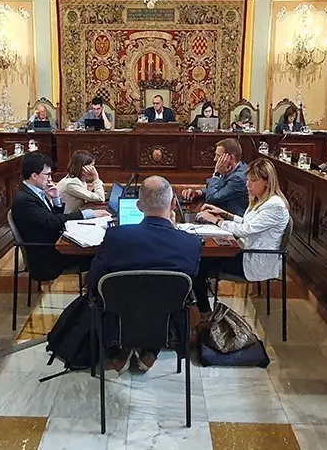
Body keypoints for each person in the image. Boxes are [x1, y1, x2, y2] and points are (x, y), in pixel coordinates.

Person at [87, 175, 202, 372]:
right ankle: (150, 351)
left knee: (106, 296)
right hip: (166, 316)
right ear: (174, 204)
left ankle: (117, 351)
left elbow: (94, 281)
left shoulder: (116, 237)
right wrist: (174, 230)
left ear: (139, 206)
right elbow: (191, 278)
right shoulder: (190, 243)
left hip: (120, 312)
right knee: (164, 294)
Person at [193, 159, 291, 314]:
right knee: (201, 261)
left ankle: (204, 313)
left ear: (267, 181)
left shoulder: (275, 205)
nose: (248, 185)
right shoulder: (262, 200)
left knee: (198, 266)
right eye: (247, 180)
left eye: (253, 181)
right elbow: (248, 222)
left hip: (255, 260)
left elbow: (245, 229)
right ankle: (201, 308)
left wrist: (216, 220)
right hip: (246, 252)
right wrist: (223, 213)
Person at [11, 153, 110, 281]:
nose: (50, 179)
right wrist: (87, 214)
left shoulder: (34, 192)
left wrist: (56, 199)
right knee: (103, 256)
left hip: (53, 245)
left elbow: (51, 219)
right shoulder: (24, 200)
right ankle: (93, 296)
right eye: (47, 175)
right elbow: (52, 222)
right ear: (34, 175)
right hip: (46, 258)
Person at [181, 138, 249, 217]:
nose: (215, 159)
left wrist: (217, 173)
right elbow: (219, 189)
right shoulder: (229, 168)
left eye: (218, 156)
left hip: (232, 221)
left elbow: (212, 199)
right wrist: (198, 192)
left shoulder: (239, 178)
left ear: (231, 158)